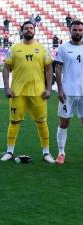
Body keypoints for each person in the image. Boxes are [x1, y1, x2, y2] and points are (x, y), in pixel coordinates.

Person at [0, 21, 55, 163]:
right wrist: (6, 87)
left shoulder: (42, 49)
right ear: (21, 31)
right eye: (26, 28)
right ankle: (9, 152)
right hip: (18, 92)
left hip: (38, 92)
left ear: (34, 30)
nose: (29, 30)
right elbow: (6, 68)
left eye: (31, 28)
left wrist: (48, 88)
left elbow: (49, 69)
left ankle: (46, 153)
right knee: (14, 122)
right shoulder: (14, 48)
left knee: (42, 122)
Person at [54, 20, 83, 164]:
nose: (77, 32)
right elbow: (57, 69)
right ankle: (61, 152)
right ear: (70, 31)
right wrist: (59, 89)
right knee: (64, 123)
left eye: (79, 30)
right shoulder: (63, 48)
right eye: (75, 30)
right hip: (68, 92)